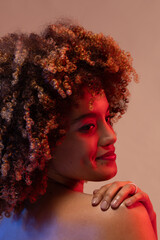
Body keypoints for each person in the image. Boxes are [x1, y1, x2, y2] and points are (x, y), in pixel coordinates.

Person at [0, 19, 157, 239]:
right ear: (42, 141)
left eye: (108, 117)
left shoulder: (5, 220)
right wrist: (140, 220)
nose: (110, 136)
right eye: (88, 127)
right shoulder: (118, 216)